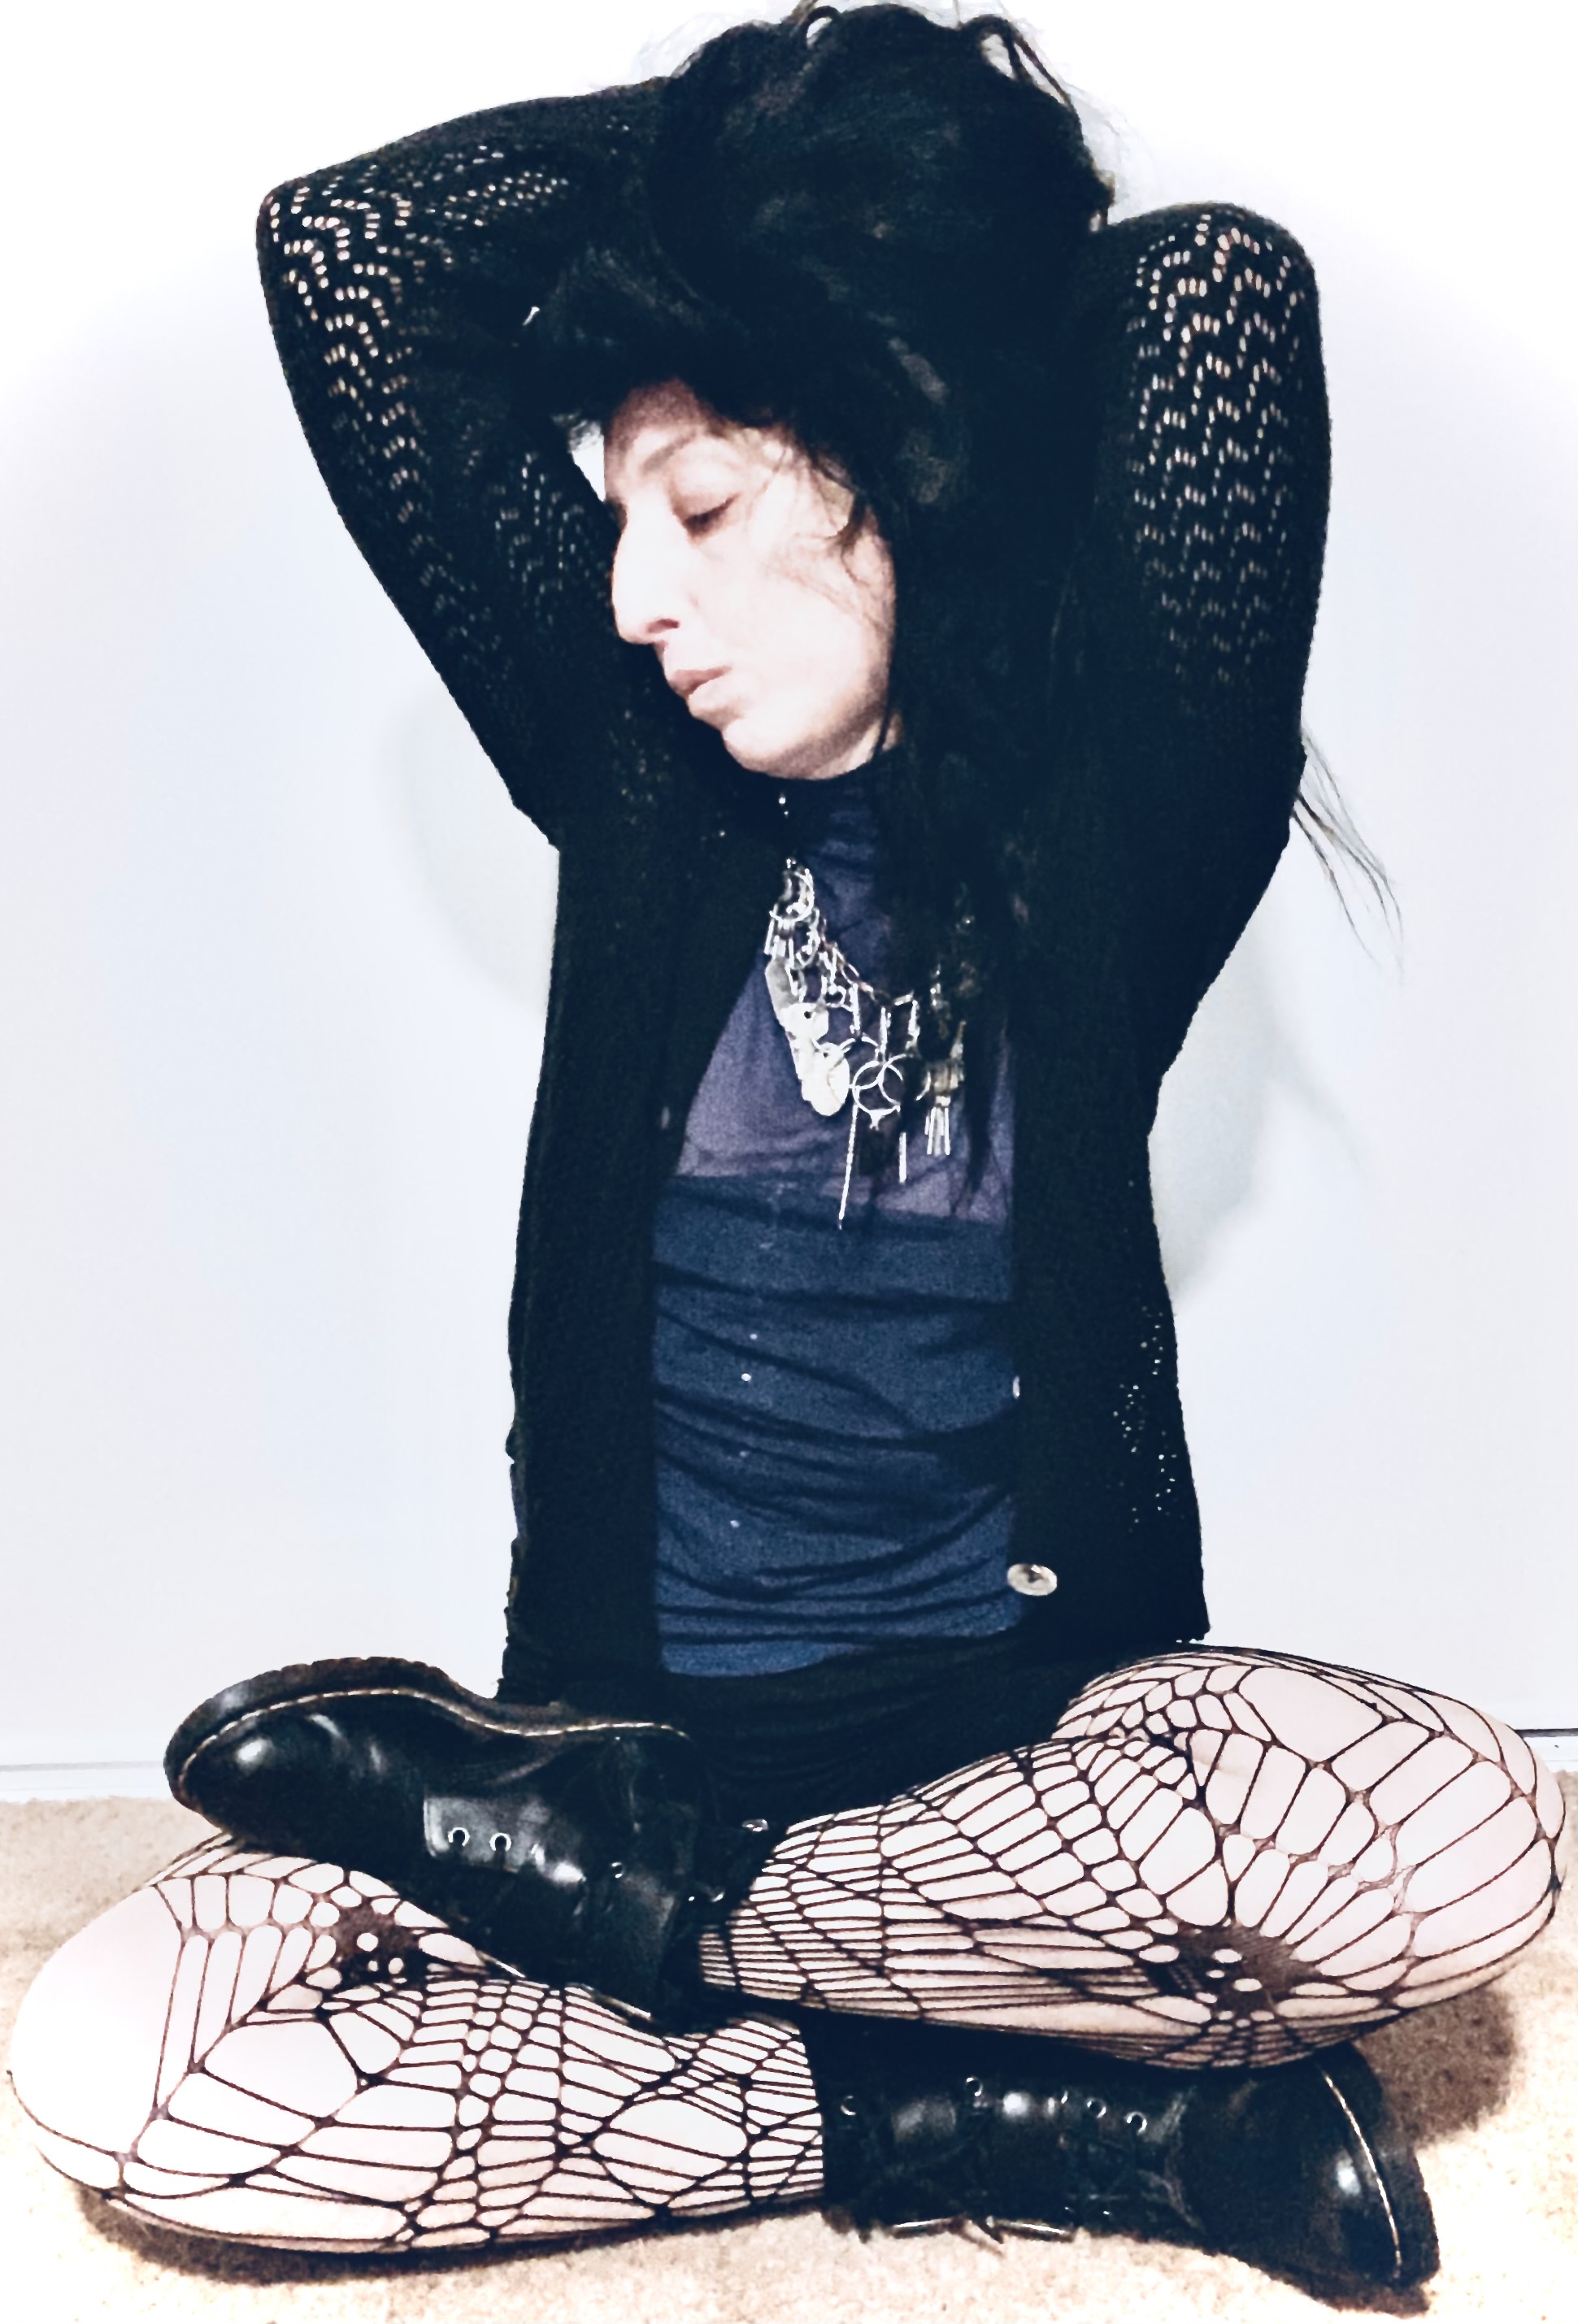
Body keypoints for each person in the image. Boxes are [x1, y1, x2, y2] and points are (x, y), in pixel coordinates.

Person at [9, 2, 1565, 2298]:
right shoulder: (636, 784)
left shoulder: (1120, 823)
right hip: (618, 1757)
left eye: (709, 507)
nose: (635, 596)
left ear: (901, 457)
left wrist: (850, 204)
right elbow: (353, 253)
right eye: (622, 518)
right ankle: (1024, 2108)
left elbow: (1212, 292)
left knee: (1460, 1837)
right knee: (124, 2055)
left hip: (1035, 1792)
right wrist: (721, 185)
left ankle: (720, 1948)